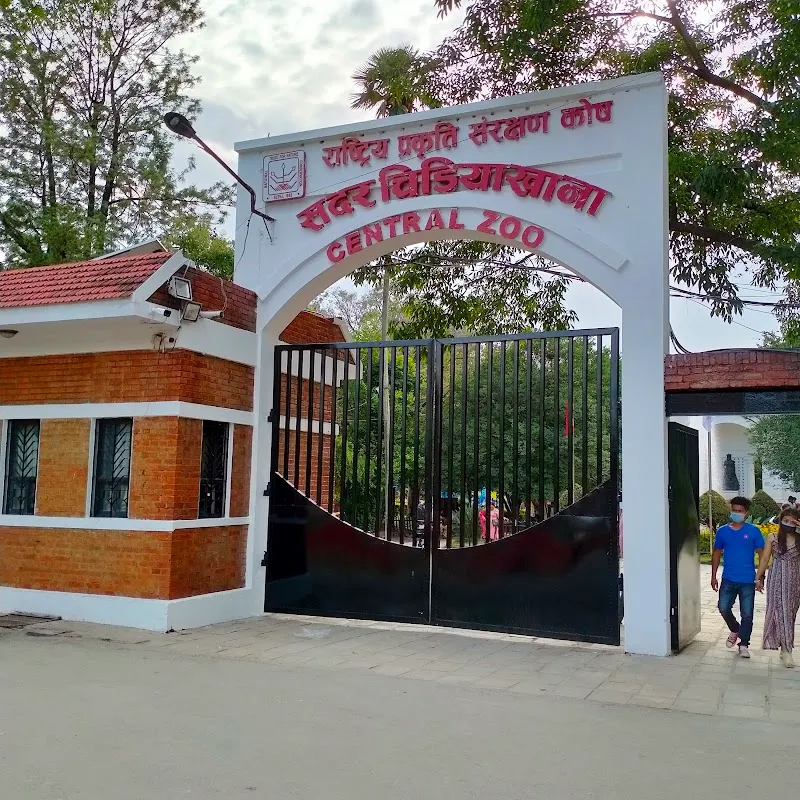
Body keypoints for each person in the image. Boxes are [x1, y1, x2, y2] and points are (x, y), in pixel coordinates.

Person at [711, 496, 765, 658]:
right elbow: (716, 553)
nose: (736, 513)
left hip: (747, 580)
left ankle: (744, 644)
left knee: (747, 613)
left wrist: (760, 576)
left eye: (740, 511)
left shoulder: (753, 531)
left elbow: (763, 555)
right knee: (723, 607)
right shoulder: (722, 532)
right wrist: (713, 575)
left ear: (746, 513)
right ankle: (735, 629)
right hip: (728, 579)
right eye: (734, 510)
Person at [757, 506, 800, 667]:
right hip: (776, 581)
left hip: (795, 582)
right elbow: (764, 559)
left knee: (790, 615)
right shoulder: (772, 537)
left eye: (792, 521)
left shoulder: (798, 539)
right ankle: (787, 651)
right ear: (780, 521)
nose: (789, 524)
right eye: (785, 520)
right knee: (780, 614)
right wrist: (758, 578)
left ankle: (785, 648)